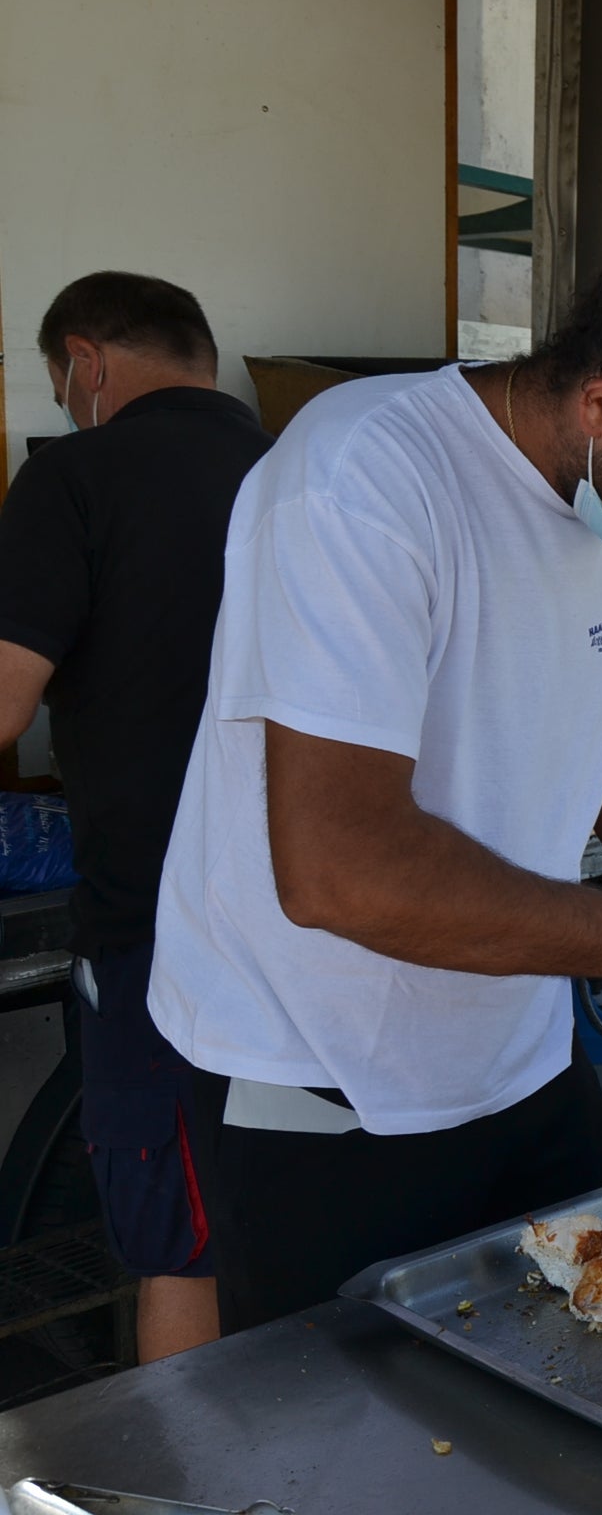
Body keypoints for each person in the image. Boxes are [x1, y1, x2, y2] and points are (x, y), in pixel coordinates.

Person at [147, 167, 602, 1334]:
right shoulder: (364, 481)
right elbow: (338, 869)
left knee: (591, 1383)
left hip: (517, 1060)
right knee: (361, 1454)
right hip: (325, 1083)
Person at [0, 273, 273, 1361]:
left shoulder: (73, 478)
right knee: (299, 1211)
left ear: (87, 362)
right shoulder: (292, 472)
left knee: (180, 1242)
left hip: (164, 928)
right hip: (335, 913)